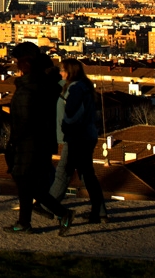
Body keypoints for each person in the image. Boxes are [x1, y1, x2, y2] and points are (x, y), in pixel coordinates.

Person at [4, 42, 73, 235]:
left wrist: (14, 142)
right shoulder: (42, 84)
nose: (15, 66)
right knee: (30, 185)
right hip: (38, 141)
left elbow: (24, 119)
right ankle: (27, 221)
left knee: (27, 183)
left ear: (25, 64)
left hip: (28, 142)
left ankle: (60, 214)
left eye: (17, 62)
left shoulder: (30, 88)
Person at [50, 58, 107, 223]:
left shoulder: (75, 89)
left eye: (63, 70)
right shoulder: (83, 86)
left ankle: (47, 207)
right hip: (87, 135)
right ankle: (100, 212)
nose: (61, 73)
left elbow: (72, 114)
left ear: (70, 72)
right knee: (87, 175)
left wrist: (65, 126)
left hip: (77, 138)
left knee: (63, 173)